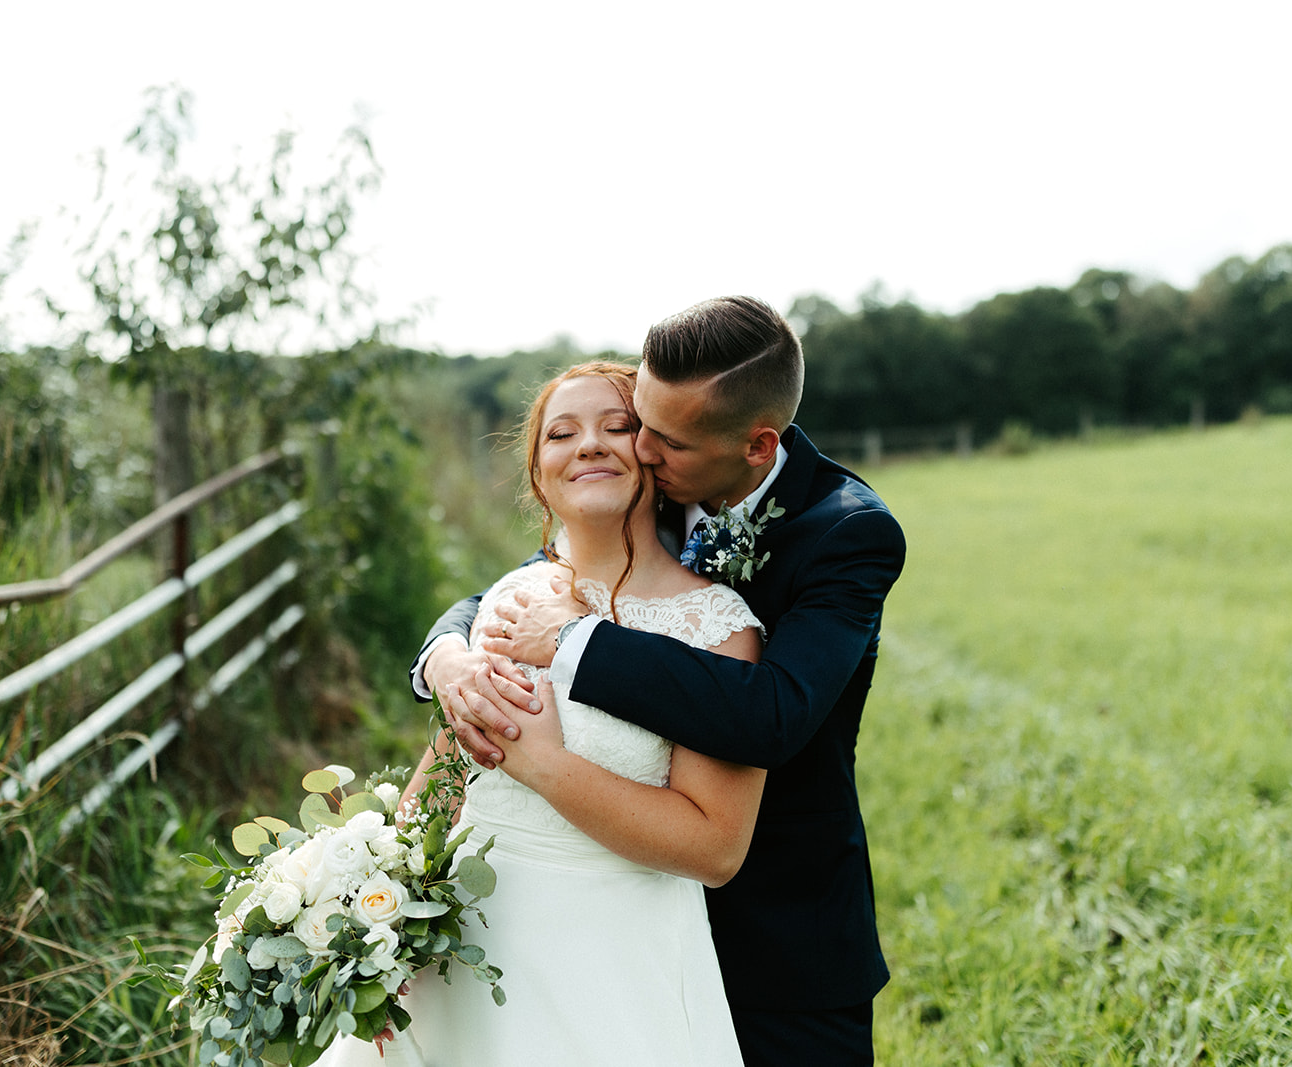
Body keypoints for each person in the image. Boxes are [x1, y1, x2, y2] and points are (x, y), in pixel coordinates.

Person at [414, 296, 907, 1066]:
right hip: (577, 926)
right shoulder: (652, 484)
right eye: (636, 418)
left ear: (755, 446)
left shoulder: (847, 532)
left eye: (657, 437)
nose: (635, 446)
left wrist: (576, 645)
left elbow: (771, 714)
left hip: (777, 925)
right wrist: (442, 654)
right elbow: (525, 585)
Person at [323, 361, 765, 1066]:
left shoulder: (714, 627)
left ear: (654, 454)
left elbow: (715, 850)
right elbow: (443, 776)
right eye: (562, 433)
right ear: (539, 475)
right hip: (462, 951)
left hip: (614, 965)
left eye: (617, 426)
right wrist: (371, 924)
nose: (589, 444)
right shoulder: (506, 598)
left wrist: (541, 764)